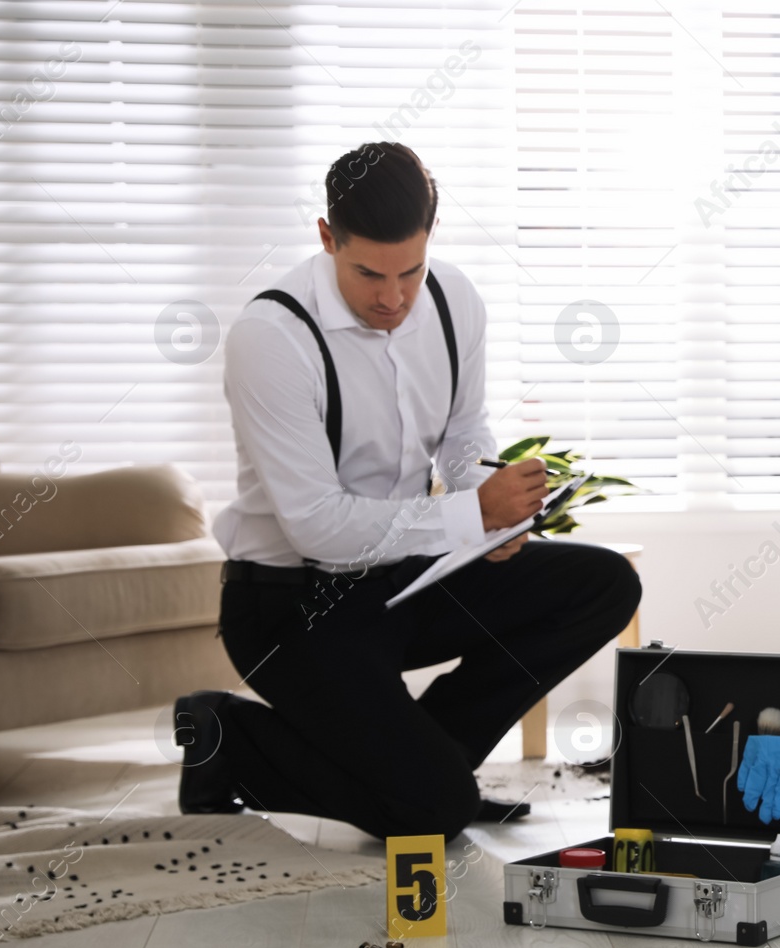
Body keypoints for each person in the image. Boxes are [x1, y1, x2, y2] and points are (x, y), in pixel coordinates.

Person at [175, 143, 641, 841]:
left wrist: (492, 516)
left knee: (603, 585)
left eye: (410, 271)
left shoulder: (454, 302)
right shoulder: (270, 338)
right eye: (368, 272)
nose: (392, 297)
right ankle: (227, 736)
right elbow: (318, 528)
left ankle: (430, 759)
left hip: (400, 582)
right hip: (291, 609)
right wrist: (469, 513)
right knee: (434, 814)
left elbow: (462, 435)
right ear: (327, 237)